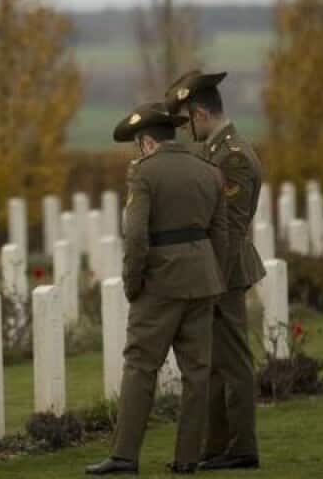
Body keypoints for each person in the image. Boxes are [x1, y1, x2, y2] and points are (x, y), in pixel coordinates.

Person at [86, 102, 228, 476]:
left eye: (138, 144)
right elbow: (221, 233)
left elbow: (135, 237)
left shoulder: (144, 173)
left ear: (148, 142)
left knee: (140, 367)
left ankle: (124, 456)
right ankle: (186, 460)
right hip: (203, 281)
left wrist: (134, 285)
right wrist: (216, 278)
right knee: (197, 373)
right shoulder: (209, 171)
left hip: (160, 284)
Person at [165, 70, 264, 471]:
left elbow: (230, 228)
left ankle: (242, 448)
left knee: (235, 362)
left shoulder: (234, 157)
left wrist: (211, 281)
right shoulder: (214, 153)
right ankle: (217, 446)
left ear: (202, 113)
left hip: (226, 272)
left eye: (188, 120)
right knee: (217, 362)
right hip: (215, 271)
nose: (188, 130)